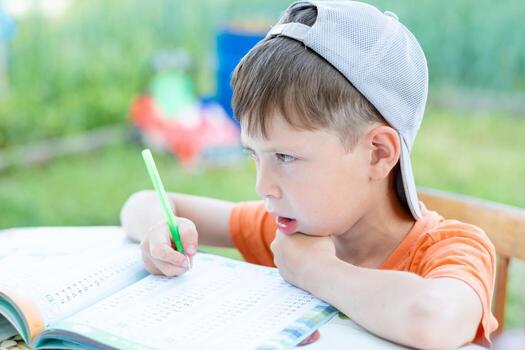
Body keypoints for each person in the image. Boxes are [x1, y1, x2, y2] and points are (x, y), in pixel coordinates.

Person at [120, 1, 497, 348]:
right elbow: (143, 203)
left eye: (285, 156)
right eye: (255, 155)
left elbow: (433, 319)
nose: (262, 186)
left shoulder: (453, 250)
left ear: (378, 153)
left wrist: (318, 271)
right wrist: (160, 229)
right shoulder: (291, 230)